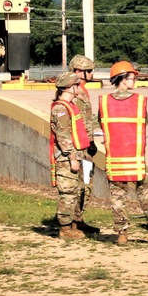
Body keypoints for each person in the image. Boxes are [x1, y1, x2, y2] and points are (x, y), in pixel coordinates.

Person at [98, 60, 148, 246]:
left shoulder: (103, 101)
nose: (134, 81)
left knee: (118, 197)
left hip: (114, 158)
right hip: (135, 158)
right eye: (132, 77)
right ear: (123, 79)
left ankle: (122, 234)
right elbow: (145, 122)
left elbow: (101, 122)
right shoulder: (139, 101)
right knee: (146, 193)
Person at [50, 72, 93, 240]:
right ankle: (65, 228)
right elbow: (63, 136)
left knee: (75, 190)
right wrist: (72, 158)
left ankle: (71, 226)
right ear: (69, 87)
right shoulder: (61, 109)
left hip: (75, 154)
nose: (79, 88)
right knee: (67, 192)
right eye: (76, 85)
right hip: (66, 158)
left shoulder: (69, 105)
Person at [68, 54, 100, 235]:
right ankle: (73, 222)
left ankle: (77, 219)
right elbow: (80, 121)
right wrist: (90, 142)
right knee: (81, 183)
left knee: (85, 182)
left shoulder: (81, 90)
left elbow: (89, 119)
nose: (91, 73)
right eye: (88, 71)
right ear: (79, 72)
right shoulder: (77, 92)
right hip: (79, 145)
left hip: (84, 143)